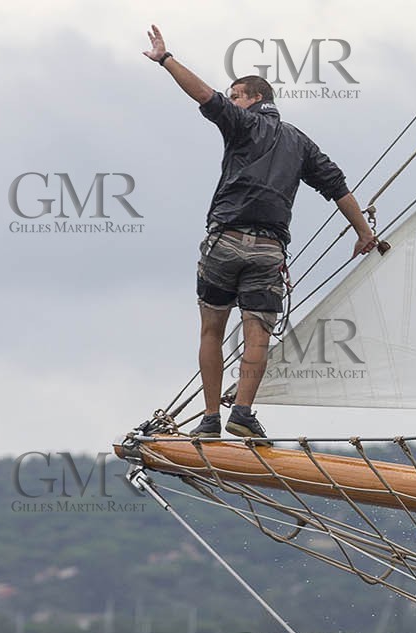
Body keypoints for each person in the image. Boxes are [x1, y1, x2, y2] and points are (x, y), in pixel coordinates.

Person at [143, 26, 379, 439]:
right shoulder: (302, 143)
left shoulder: (241, 124)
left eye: (236, 96)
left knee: (211, 330)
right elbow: (337, 187)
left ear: (255, 99)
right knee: (257, 334)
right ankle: (244, 413)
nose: (231, 101)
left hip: (225, 241)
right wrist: (363, 233)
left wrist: (166, 59)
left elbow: (204, 95)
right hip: (269, 251)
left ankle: (211, 419)